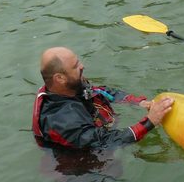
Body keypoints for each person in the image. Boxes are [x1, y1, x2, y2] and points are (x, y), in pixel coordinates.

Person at [32, 47, 173, 150]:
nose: (82, 66)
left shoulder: (70, 86)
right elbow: (105, 141)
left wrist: (139, 102)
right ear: (60, 78)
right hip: (83, 173)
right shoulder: (61, 119)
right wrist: (149, 122)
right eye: (75, 66)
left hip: (98, 132)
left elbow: (101, 91)